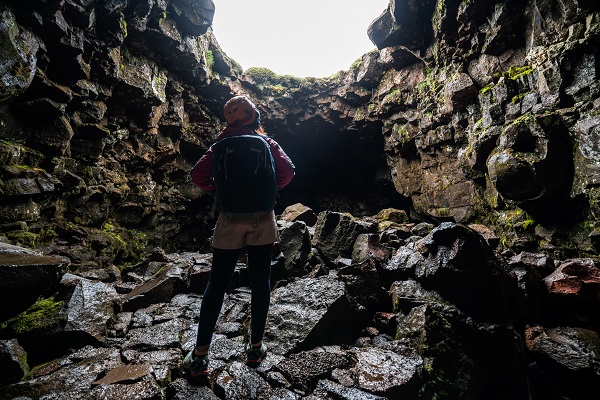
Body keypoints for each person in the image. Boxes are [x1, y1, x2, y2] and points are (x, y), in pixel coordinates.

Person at [184, 95, 295, 377]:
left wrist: (219, 191)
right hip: (262, 218)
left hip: (229, 218)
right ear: (253, 117)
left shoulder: (219, 146)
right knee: (260, 281)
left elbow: (197, 174)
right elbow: (288, 172)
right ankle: (255, 349)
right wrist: (267, 192)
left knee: (217, 282)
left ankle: (199, 357)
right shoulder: (267, 143)